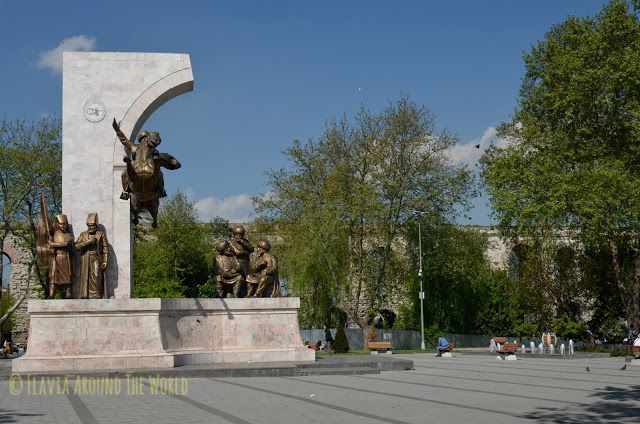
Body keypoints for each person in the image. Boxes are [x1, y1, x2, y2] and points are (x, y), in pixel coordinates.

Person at [76, 213, 109, 299]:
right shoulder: (83, 234)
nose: (90, 227)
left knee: (96, 274)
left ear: (96, 225)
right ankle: (85, 294)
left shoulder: (100, 234)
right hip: (86, 257)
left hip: (96, 257)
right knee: (85, 275)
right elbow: (77, 246)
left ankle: (96, 294)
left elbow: (105, 248)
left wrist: (105, 261)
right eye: (88, 225)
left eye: (92, 225)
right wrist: (88, 242)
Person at [48, 214, 74, 299]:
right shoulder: (54, 235)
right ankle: (51, 294)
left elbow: (68, 243)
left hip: (66, 257)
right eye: (61, 224)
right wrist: (51, 249)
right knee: (53, 277)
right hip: (56, 258)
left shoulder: (69, 235)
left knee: (67, 276)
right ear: (57, 224)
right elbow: (49, 245)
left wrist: (54, 245)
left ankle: (68, 293)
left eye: (64, 224)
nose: (63, 225)